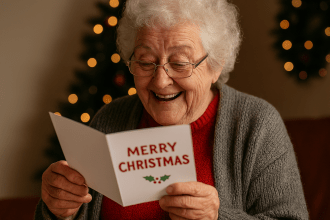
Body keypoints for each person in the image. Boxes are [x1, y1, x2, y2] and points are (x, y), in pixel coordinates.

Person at [35, 0, 309, 219]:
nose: (160, 80)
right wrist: (58, 210)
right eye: (145, 62)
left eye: (179, 63)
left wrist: (218, 217)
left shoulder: (256, 124)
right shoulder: (110, 120)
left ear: (215, 64)